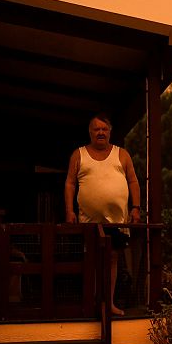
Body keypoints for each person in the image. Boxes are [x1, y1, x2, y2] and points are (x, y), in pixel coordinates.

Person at [64, 113, 141, 316]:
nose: (100, 132)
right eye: (96, 129)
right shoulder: (79, 154)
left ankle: (108, 303)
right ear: (90, 132)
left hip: (116, 221)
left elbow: (133, 181)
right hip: (88, 221)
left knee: (113, 258)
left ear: (110, 132)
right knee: (91, 259)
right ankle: (91, 303)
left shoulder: (121, 154)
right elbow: (70, 183)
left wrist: (136, 207)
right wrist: (69, 211)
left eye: (104, 129)